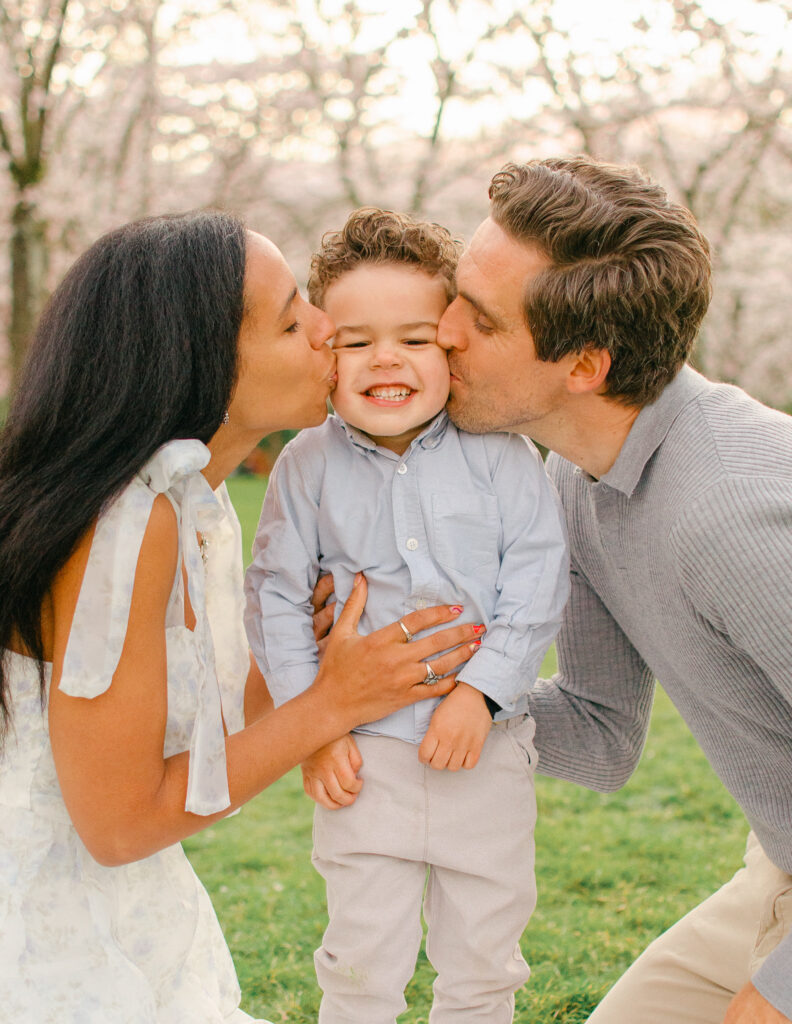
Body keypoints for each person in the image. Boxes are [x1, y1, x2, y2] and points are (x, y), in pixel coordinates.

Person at [0, 211, 483, 1023]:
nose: (330, 331)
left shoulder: (193, 500)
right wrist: (334, 704)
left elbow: (198, 726)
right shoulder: (125, 523)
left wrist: (313, 665)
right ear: (200, 362)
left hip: (136, 920)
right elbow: (116, 825)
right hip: (52, 945)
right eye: (295, 320)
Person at [432, 155, 792, 1024]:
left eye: (479, 318)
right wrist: (426, 675)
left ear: (584, 366)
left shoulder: (734, 516)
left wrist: (776, 996)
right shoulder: (580, 475)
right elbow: (599, 735)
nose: (440, 330)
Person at [244, 207, 569, 1023]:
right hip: (362, 759)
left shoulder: (501, 454)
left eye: (415, 338)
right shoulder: (305, 466)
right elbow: (278, 594)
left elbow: (536, 574)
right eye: (356, 341)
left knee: (485, 959)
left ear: (451, 346)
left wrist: (481, 692)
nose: (385, 359)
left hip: (483, 751)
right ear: (325, 350)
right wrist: (314, 725)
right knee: (358, 962)